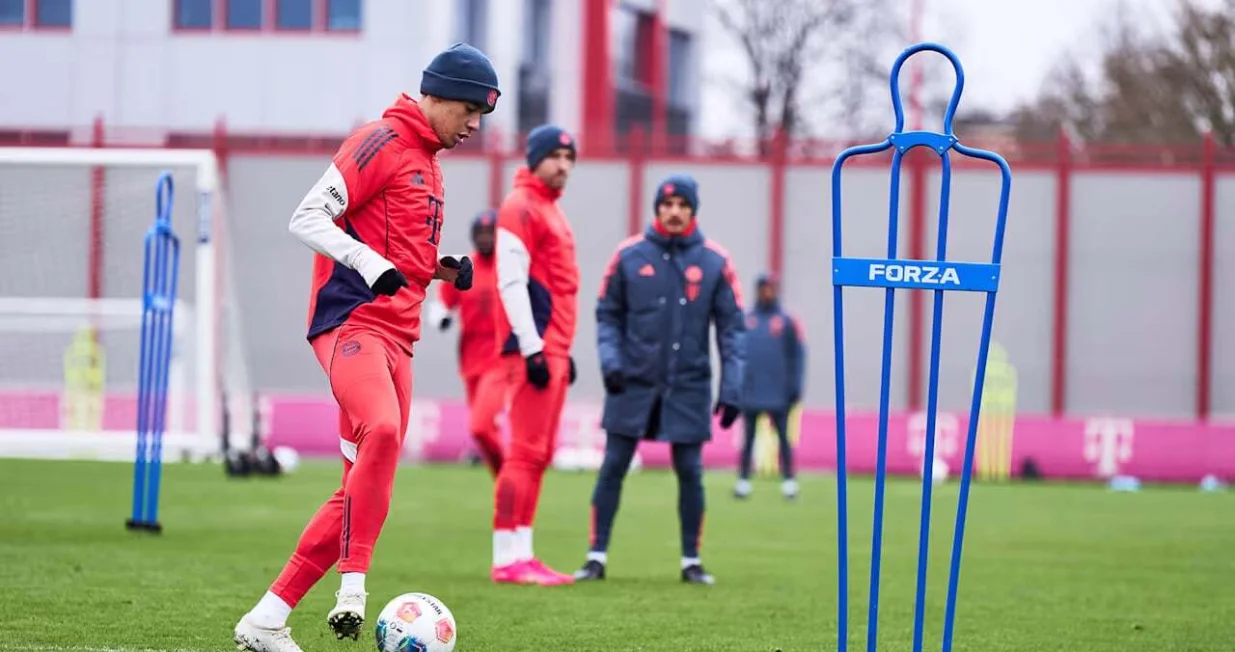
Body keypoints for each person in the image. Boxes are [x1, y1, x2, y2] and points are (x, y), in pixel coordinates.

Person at [232, 43, 500, 652]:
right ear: (434, 95)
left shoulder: (431, 166)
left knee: (357, 490)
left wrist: (437, 268)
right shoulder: (378, 140)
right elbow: (306, 218)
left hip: (399, 341)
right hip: (352, 327)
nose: (474, 125)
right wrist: (367, 262)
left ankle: (265, 621)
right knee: (380, 429)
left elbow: (395, 250)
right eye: (467, 109)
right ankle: (353, 591)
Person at [573, 173, 745, 586]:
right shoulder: (628, 255)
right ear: (656, 208)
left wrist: (733, 387)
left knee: (690, 470)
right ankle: (596, 557)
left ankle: (691, 561)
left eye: (682, 206)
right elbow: (607, 315)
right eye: (667, 205)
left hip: (688, 384)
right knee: (613, 465)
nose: (673, 212)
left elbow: (732, 331)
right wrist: (610, 362)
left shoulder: (715, 261)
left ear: (692, 211)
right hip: (631, 381)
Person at [489, 124, 581, 586]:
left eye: (570, 157)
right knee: (522, 455)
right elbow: (510, 280)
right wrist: (534, 347)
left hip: (552, 346)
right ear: (535, 158)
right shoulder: (521, 205)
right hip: (534, 348)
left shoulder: (549, 208)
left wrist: (562, 348)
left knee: (539, 455)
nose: (563, 164)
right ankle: (506, 558)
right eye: (556, 156)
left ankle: (523, 552)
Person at [427, 209, 513, 477]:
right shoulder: (465, 268)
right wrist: (441, 318)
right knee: (485, 431)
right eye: (481, 233)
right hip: (470, 361)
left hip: (501, 361)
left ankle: (510, 479)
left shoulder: (510, 268)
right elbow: (441, 303)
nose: (486, 238)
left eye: (491, 233)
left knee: (481, 426)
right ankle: (505, 484)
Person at [735, 273, 806, 501]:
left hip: (779, 391)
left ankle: (789, 482)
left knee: (784, 439)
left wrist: (795, 386)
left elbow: (798, 356)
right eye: (763, 288)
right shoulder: (746, 319)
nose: (767, 292)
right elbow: (736, 354)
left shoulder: (786, 321)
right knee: (748, 438)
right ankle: (744, 481)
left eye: (770, 288)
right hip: (751, 390)